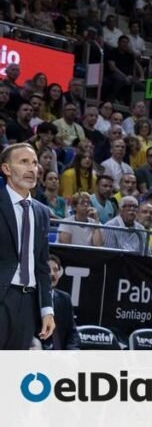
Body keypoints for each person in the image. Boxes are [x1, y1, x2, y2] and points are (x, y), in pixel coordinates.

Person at [0, 144, 56, 349]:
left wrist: (47, 309)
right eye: (23, 162)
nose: (32, 169)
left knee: (12, 371)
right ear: (6, 169)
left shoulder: (42, 212)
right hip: (2, 298)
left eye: (34, 163)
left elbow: (42, 266)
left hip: (28, 303)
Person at [44, 254, 79, 350]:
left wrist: (72, 352)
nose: (52, 274)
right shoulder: (31, 298)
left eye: (55, 270)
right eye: (48, 270)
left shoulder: (65, 298)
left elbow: (72, 332)